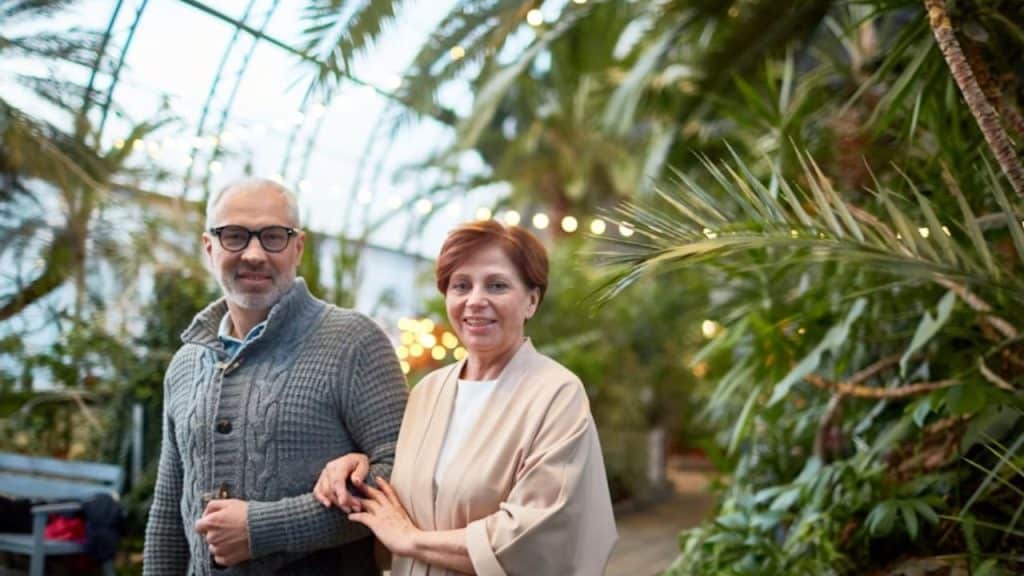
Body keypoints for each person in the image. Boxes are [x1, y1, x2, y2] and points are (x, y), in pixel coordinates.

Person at [315, 220, 617, 575]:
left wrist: (410, 541)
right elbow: (403, 489)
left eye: (497, 285)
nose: (476, 300)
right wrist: (354, 464)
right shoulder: (428, 391)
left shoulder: (557, 394)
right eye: (461, 285)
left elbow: (535, 535)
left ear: (532, 300)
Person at [143, 178, 408, 575]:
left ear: (297, 246)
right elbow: (168, 509)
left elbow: (402, 476)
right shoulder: (186, 363)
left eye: (272, 237)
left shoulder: (353, 342)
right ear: (208, 247)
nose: (253, 254)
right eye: (234, 236)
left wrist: (260, 529)